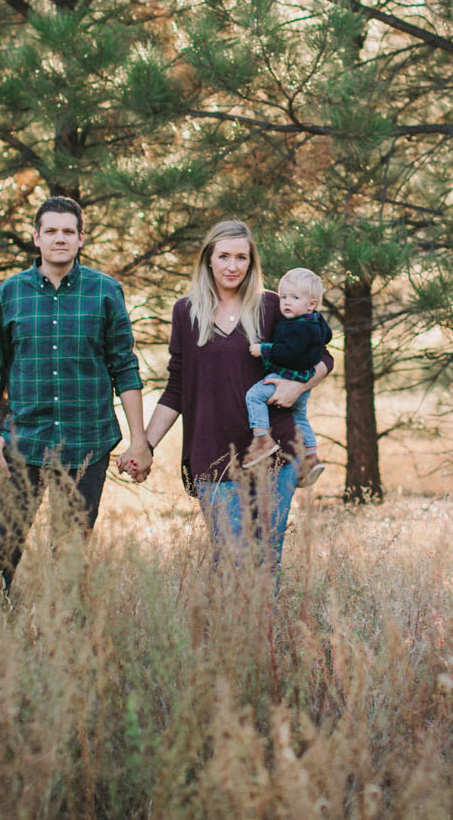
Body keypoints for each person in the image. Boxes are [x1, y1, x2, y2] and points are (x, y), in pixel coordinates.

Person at [0, 196, 151, 592]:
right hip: (23, 443)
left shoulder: (105, 291)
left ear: (81, 238)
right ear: (36, 237)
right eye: (50, 231)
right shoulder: (12, 292)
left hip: (86, 442)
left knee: (70, 558)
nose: (59, 238)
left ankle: (63, 644)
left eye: (68, 231)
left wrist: (140, 441)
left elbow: (125, 367)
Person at [139, 221, 330, 573]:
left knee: (265, 559)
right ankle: (228, 631)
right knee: (228, 561)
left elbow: (322, 356)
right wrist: (145, 444)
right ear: (208, 260)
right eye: (224, 256)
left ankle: (262, 630)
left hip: (275, 453)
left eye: (241, 257)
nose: (232, 266)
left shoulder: (274, 305)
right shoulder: (186, 311)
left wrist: (298, 386)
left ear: (251, 261)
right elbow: (176, 388)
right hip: (213, 455)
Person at [247, 267, 332, 489]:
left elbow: (289, 352)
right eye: (283, 296)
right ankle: (312, 455)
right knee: (299, 416)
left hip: (286, 376)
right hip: (305, 380)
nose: (286, 302)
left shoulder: (298, 327)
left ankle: (262, 440)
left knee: (254, 396)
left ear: (311, 304)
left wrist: (263, 349)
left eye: (294, 298)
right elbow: (328, 337)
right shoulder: (315, 321)